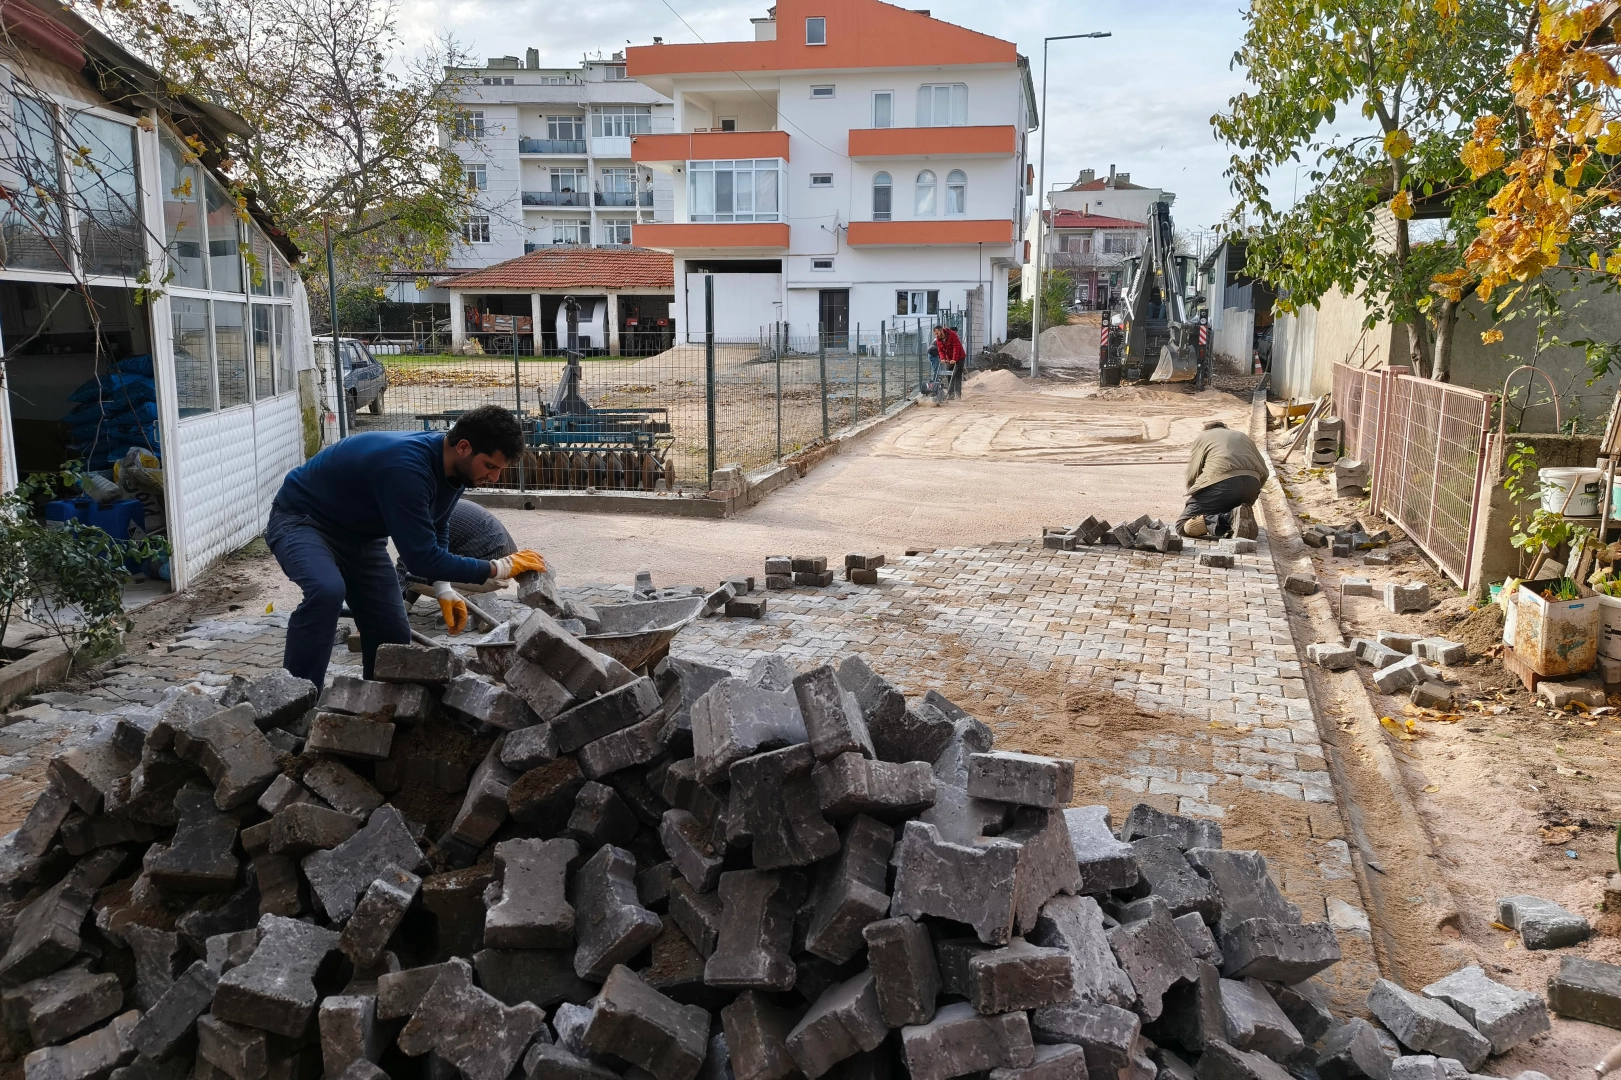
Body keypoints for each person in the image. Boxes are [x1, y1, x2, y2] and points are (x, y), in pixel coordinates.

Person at [266, 404, 545, 688]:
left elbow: (438, 526)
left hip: (361, 538)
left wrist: (443, 587)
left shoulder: (455, 471)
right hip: (303, 521)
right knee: (326, 591)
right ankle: (296, 697)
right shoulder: (406, 469)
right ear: (463, 447)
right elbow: (420, 559)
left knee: (392, 634)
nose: (494, 477)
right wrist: (499, 568)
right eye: (490, 466)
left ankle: (377, 710)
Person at [1176, 420, 1266, 539]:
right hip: (1252, 486)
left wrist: (1196, 497)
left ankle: (1228, 518)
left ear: (1206, 430)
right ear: (1225, 428)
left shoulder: (1203, 437)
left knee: (1182, 526)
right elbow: (1265, 471)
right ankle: (1236, 519)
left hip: (1222, 485)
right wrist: (1251, 491)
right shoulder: (1243, 436)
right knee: (1225, 508)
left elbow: (1193, 474)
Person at [934, 324, 966, 399]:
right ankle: (950, 394)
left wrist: (954, 359)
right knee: (949, 375)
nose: (936, 336)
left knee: (957, 375)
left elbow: (956, 347)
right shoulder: (939, 340)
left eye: (937, 333)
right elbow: (940, 350)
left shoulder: (952, 334)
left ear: (941, 331)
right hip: (949, 359)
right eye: (935, 334)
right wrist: (942, 358)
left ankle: (958, 394)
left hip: (960, 357)